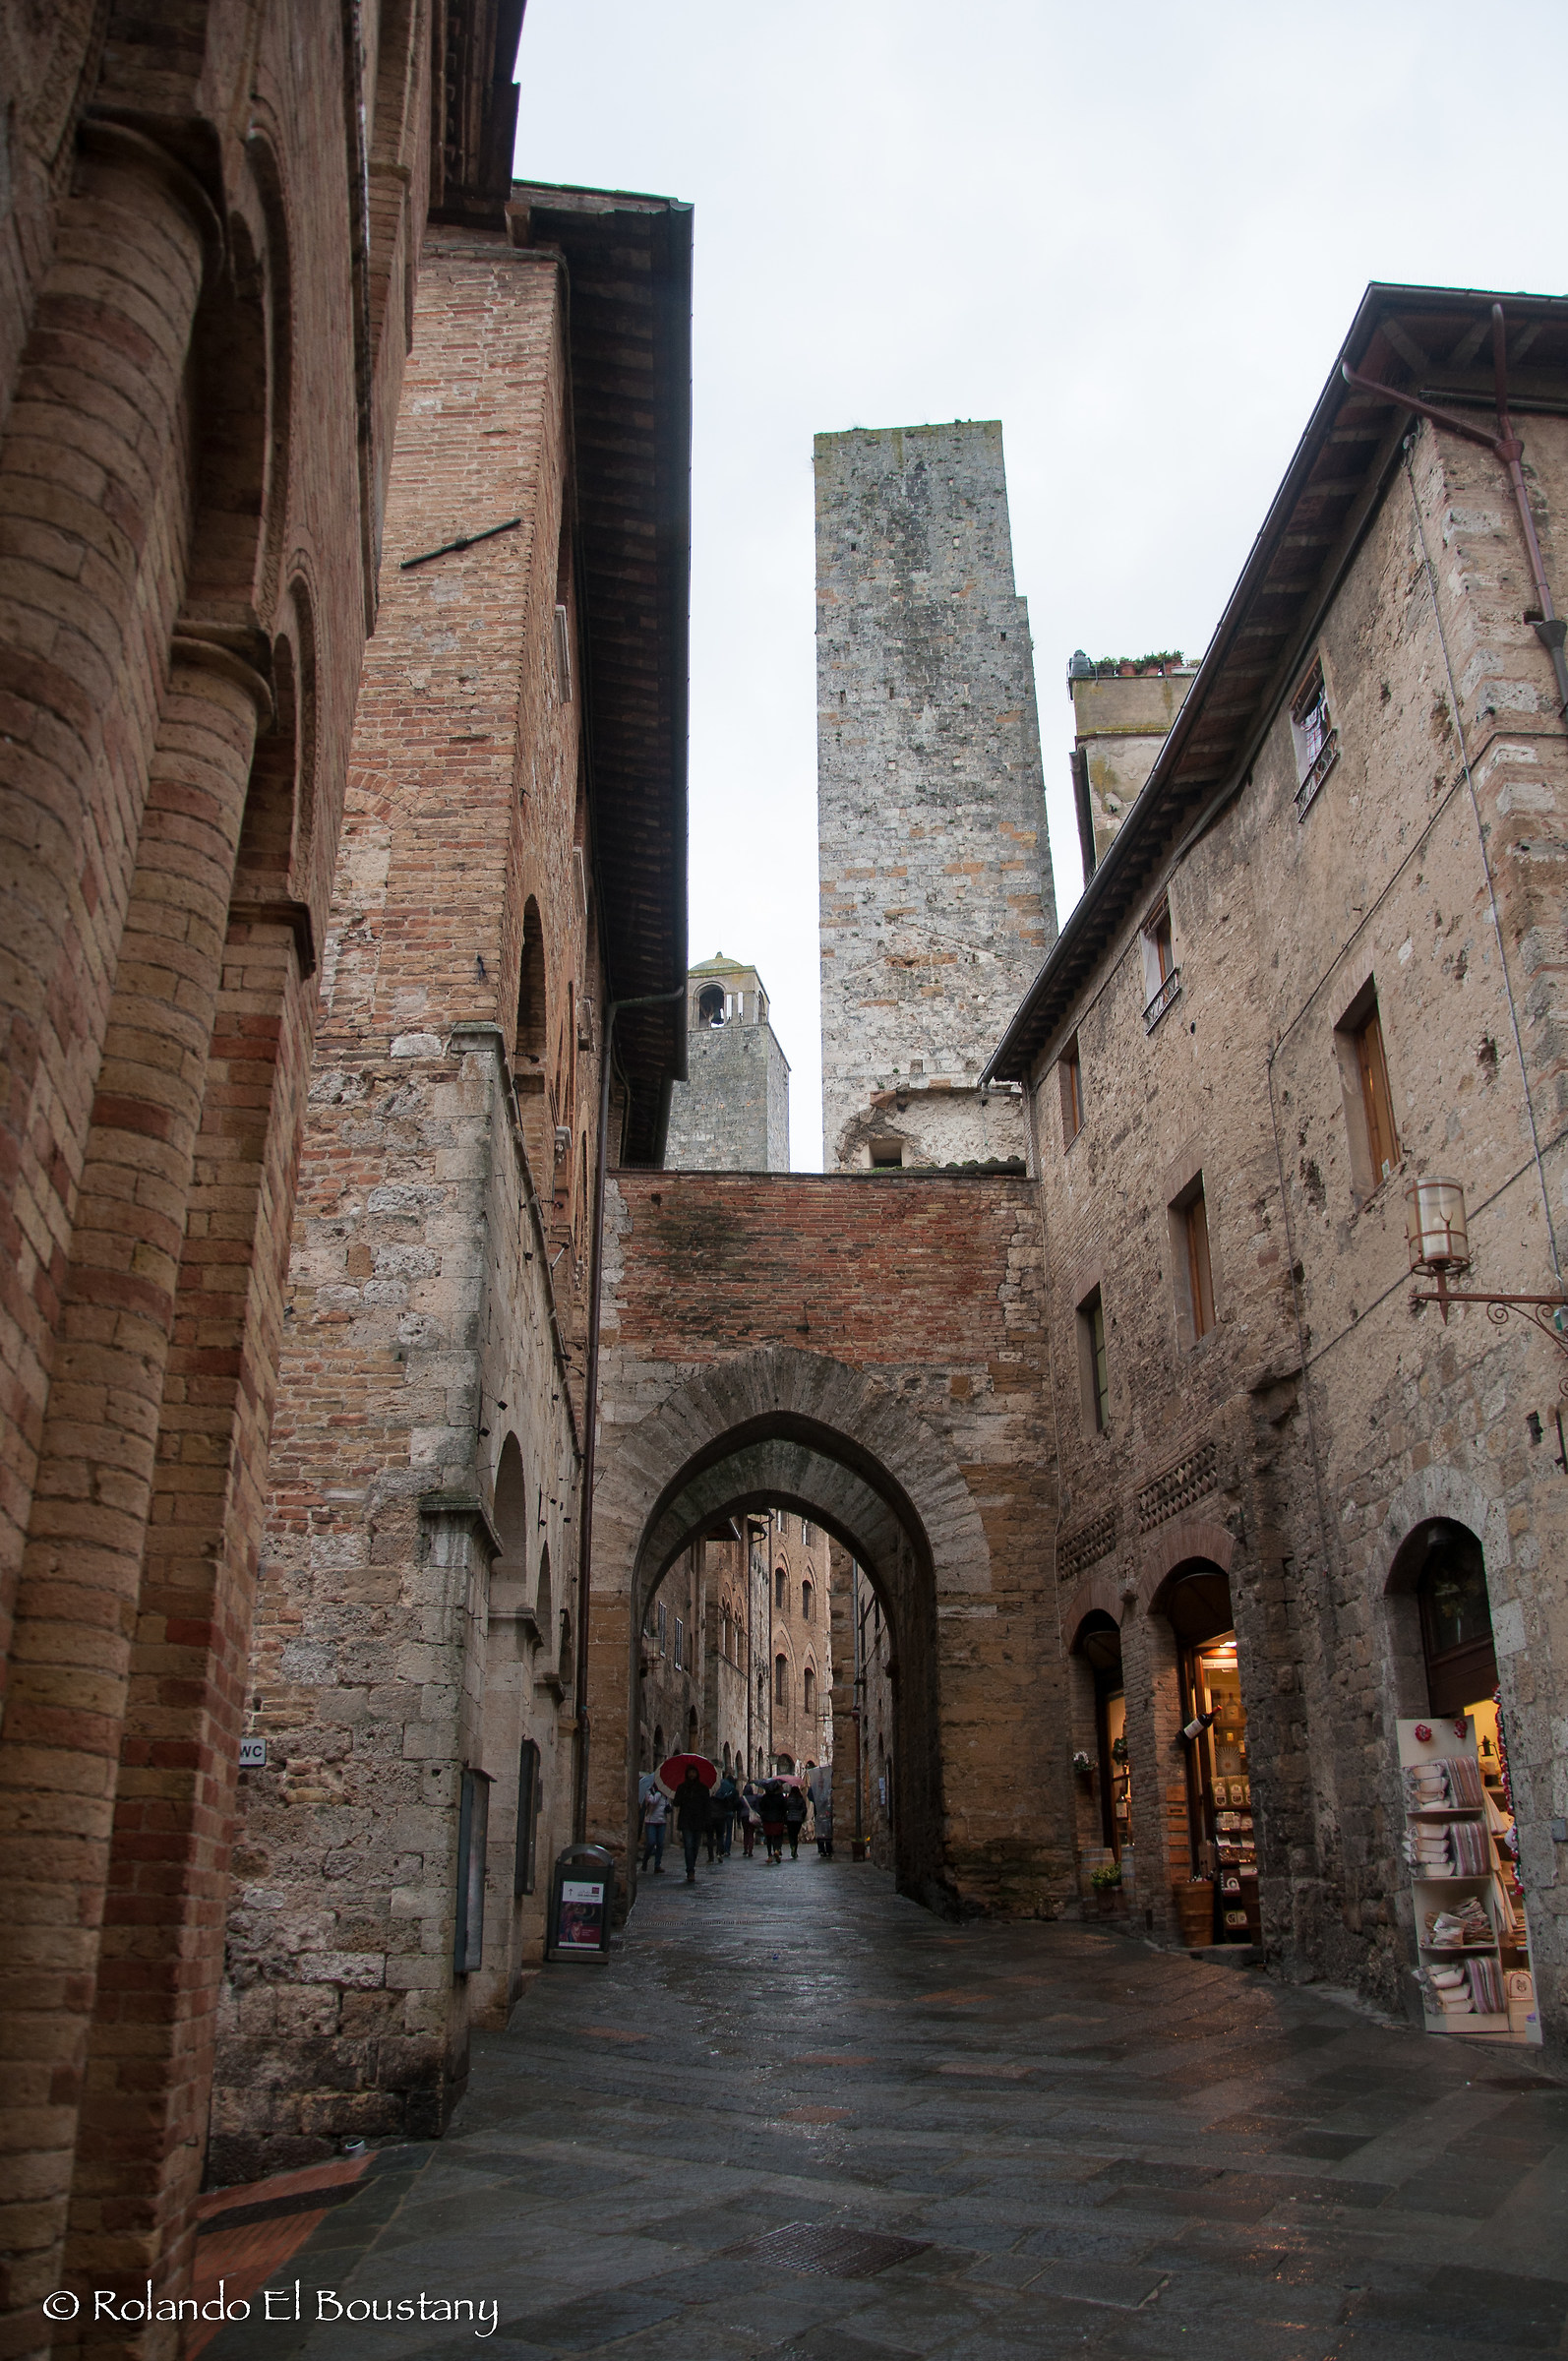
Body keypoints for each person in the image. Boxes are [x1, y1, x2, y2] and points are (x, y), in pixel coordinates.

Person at [673, 1768, 709, 1883]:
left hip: (698, 1821)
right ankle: (690, 1870)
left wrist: (707, 1822)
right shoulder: (682, 1788)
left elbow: (707, 1806)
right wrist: (683, 1796)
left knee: (695, 1846)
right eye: (690, 1772)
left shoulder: (703, 1789)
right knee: (688, 1845)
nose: (692, 1774)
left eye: (693, 1772)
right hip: (686, 1820)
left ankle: (691, 1865)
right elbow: (676, 1802)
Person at [711, 1771, 740, 1860]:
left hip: (721, 1812)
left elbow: (716, 1799)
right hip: (730, 1813)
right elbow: (736, 1803)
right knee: (729, 1832)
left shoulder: (721, 1789)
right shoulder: (734, 1791)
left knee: (722, 1832)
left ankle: (721, 1849)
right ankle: (727, 1850)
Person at [758, 1777, 787, 1864]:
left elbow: (761, 1807)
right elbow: (784, 1808)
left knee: (769, 1837)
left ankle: (770, 1855)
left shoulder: (765, 1797)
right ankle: (777, 1850)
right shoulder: (780, 1797)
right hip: (778, 1819)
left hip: (767, 1819)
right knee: (778, 1836)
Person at [640, 1782, 668, 1874]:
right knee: (651, 1842)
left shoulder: (665, 1795)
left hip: (662, 1821)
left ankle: (657, 1865)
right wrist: (658, 1793)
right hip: (651, 1821)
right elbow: (653, 1801)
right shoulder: (649, 1792)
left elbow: (666, 1805)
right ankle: (646, 1859)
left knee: (660, 1844)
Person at [783, 1781, 808, 1860]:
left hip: (790, 1819)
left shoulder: (789, 1799)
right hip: (798, 1819)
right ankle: (795, 1850)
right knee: (795, 1835)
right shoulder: (800, 1800)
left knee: (791, 1835)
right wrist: (802, 1816)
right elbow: (804, 1810)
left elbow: (785, 1808)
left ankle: (792, 1847)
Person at [740, 1781, 760, 1858]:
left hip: (744, 1816)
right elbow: (757, 1808)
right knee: (751, 1833)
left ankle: (745, 1849)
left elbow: (739, 1808)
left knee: (745, 1832)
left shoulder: (742, 1799)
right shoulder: (755, 1798)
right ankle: (750, 1850)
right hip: (751, 1817)